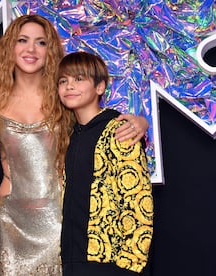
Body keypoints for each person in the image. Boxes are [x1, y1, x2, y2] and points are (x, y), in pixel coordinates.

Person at [0, 15, 149, 275]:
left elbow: (96, 127)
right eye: (22, 40)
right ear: (9, 46)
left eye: (41, 42)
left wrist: (140, 122)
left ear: (51, 50)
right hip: (10, 222)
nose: (31, 50)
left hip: (61, 220)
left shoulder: (64, 96)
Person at [57, 51, 153, 275]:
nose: (69, 86)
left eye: (78, 79)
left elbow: (138, 200)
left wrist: (130, 262)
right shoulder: (71, 136)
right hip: (74, 258)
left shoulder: (120, 130)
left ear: (100, 87)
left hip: (111, 262)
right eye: (63, 81)